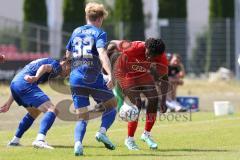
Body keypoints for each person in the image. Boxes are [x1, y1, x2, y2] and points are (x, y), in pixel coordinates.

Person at [65, 2, 117, 156]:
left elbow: (68, 55)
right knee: (112, 105)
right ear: (100, 18)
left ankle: (78, 144)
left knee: (82, 116)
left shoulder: (75, 31)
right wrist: (111, 74)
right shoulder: (99, 33)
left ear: (87, 16)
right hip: (92, 76)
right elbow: (102, 54)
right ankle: (102, 132)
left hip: (75, 78)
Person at [105, 38, 169, 150]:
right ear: (146, 48)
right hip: (125, 73)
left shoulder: (161, 57)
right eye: (149, 54)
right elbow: (114, 42)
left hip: (142, 74)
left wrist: (163, 101)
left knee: (154, 99)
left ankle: (146, 134)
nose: (150, 58)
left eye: (153, 56)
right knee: (136, 103)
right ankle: (129, 139)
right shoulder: (133, 47)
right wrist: (111, 75)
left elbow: (164, 79)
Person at [0, 57, 71, 149]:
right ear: (65, 63)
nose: (68, 74)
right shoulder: (57, 65)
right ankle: (40, 140)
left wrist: (8, 103)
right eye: (70, 69)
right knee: (52, 110)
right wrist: (36, 77)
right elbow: (44, 67)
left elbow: (19, 81)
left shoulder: (48, 62)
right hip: (24, 84)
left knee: (34, 112)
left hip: (16, 83)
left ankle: (15, 141)